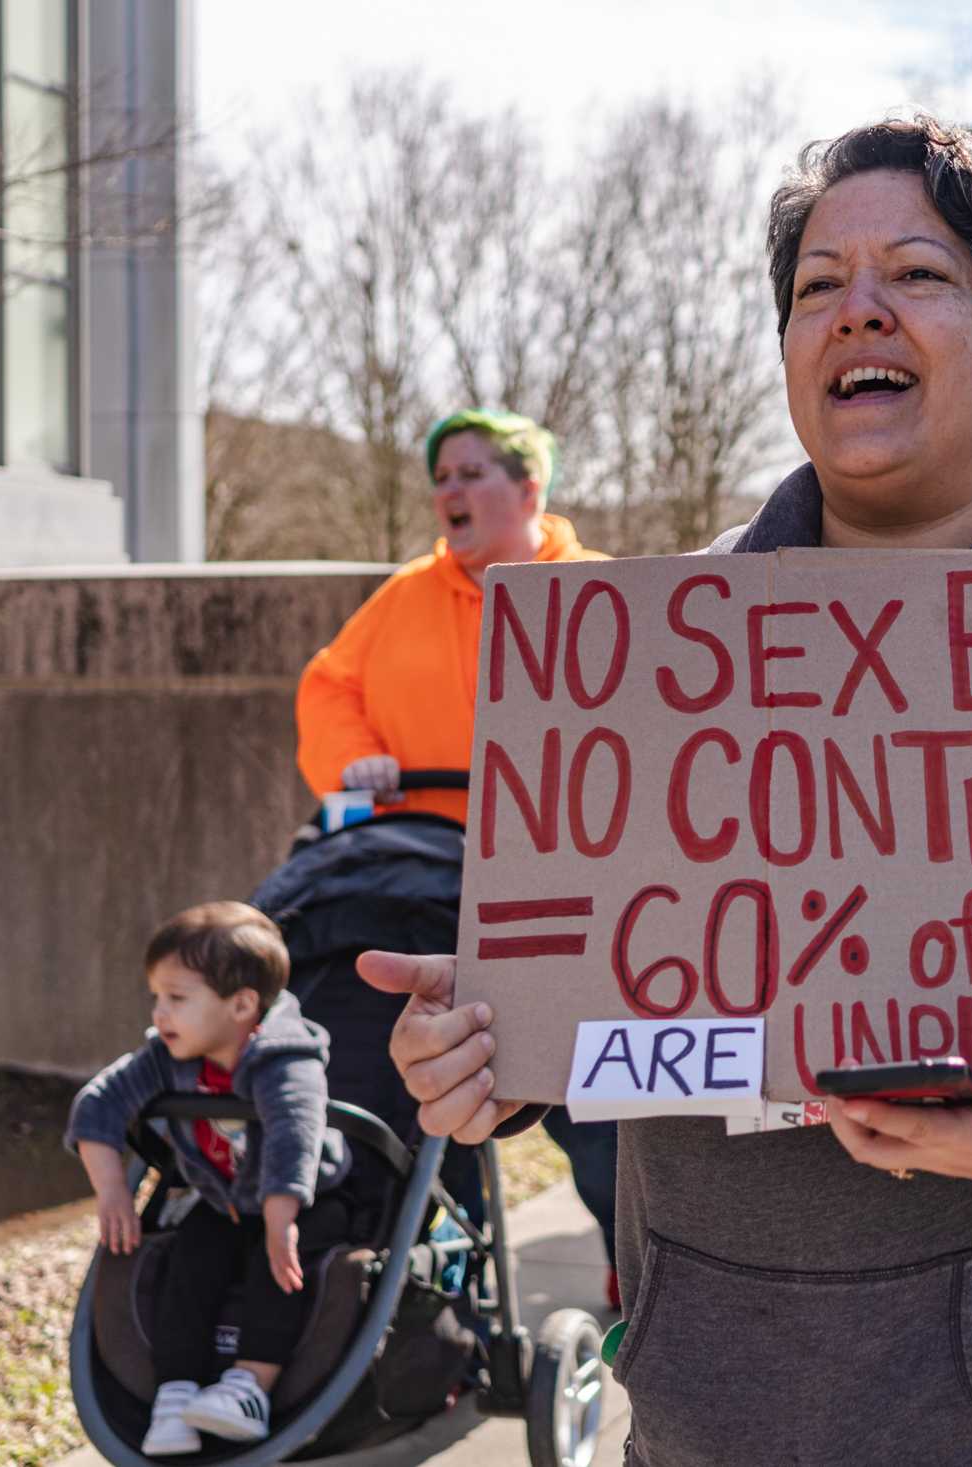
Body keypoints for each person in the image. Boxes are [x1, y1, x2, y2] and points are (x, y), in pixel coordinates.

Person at [358, 116, 972, 1466]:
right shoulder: (650, 657)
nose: (855, 307)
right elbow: (605, 994)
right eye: (817, 284)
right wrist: (492, 1049)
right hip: (720, 1410)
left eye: (915, 274)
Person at [292, 411, 621, 1304]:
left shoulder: (596, 592)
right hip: (416, 873)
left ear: (528, 490)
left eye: (472, 472)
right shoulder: (402, 597)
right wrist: (353, 754)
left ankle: (637, 1253)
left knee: (589, 1102)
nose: (450, 491)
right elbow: (327, 690)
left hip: (562, 883)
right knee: (423, 1084)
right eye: (441, 475)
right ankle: (443, 1273)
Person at [65, 902, 352, 1456]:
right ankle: (176, 1391)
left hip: (306, 1201)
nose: (159, 1013)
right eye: (156, 996)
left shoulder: (285, 1058)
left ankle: (250, 1387)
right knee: (187, 1267)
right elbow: (97, 1103)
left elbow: (295, 1131)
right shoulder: (169, 1056)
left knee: (280, 1273)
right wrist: (113, 1191)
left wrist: (280, 1217)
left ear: (242, 1005)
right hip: (226, 1202)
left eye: (176, 998)